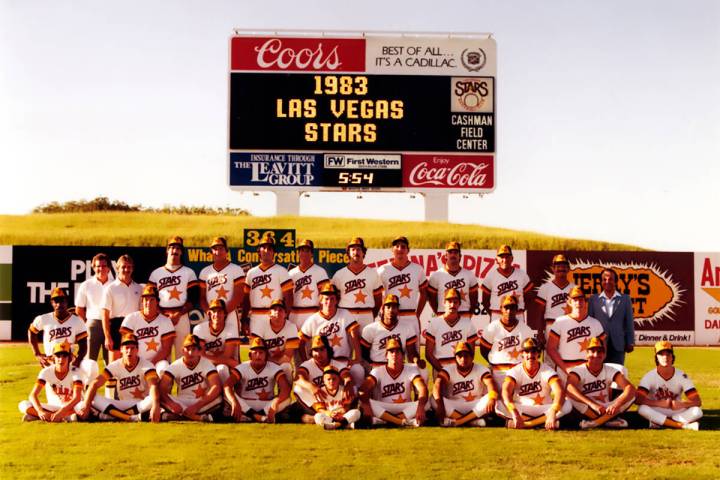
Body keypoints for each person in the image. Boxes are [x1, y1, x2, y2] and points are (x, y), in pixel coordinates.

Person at [78, 333, 161, 422]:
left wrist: (156, 406)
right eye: (126, 348)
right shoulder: (115, 365)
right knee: (92, 397)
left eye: (132, 348)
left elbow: (153, 386)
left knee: (153, 398)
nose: (129, 351)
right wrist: (86, 404)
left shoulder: (146, 365)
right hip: (120, 404)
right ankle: (133, 418)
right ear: (121, 349)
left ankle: (110, 416)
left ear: (137, 350)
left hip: (140, 404)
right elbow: (95, 383)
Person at [496, 338, 571, 430]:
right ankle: (543, 423)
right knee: (498, 404)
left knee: (568, 404)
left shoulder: (547, 370)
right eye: (527, 351)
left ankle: (525, 424)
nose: (530, 355)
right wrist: (514, 413)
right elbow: (505, 391)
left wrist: (552, 413)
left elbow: (559, 391)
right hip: (521, 409)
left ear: (538, 353)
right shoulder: (515, 371)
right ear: (522, 354)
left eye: (534, 351)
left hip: (544, 408)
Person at [298, 283, 364, 387]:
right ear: (320, 300)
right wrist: (306, 361)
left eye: (332, 299)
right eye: (326, 299)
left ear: (337, 300)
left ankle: (356, 398)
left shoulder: (344, 314)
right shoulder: (313, 319)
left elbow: (354, 334)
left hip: (342, 361)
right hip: (322, 364)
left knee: (358, 370)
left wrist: (358, 357)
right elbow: (301, 343)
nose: (329, 302)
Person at [148, 236, 200, 361]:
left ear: (181, 252)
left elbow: (193, 299)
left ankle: (183, 380)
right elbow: (150, 298)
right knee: (163, 356)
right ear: (167, 251)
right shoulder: (156, 273)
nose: (174, 250)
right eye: (171, 247)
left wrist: (178, 314)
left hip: (182, 316)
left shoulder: (189, 272)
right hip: (161, 317)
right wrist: (162, 314)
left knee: (183, 354)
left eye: (178, 248)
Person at [565, 337, 635, 429]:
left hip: (606, 408)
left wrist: (616, 404)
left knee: (632, 396)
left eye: (600, 351)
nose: (596, 354)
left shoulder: (610, 370)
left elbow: (629, 388)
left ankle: (595, 423)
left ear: (604, 354)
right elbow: (569, 388)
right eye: (592, 351)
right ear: (586, 354)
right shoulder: (579, 370)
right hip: (587, 407)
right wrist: (592, 404)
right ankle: (609, 420)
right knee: (570, 398)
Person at [358, 338, 428, 427]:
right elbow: (363, 389)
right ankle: (401, 422)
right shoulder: (378, 371)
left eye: (397, 351)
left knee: (426, 402)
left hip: (404, 407)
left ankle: (385, 421)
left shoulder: (410, 369)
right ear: (386, 355)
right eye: (391, 352)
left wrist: (421, 407)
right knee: (363, 402)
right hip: (384, 407)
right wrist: (366, 405)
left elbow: (422, 388)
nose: (394, 354)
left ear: (402, 356)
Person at [636, 341, 703, 430]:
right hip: (657, 409)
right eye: (661, 354)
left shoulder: (682, 375)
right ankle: (681, 426)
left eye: (668, 354)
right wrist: (658, 403)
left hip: (675, 411)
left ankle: (659, 422)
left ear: (672, 357)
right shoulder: (649, 376)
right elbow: (638, 399)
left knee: (697, 411)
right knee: (642, 409)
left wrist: (682, 404)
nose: (665, 357)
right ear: (656, 357)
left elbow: (697, 401)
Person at [223, 337, 291, 423]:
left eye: (261, 353)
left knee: (287, 399)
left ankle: (250, 417)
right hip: (246, 403)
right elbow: (227, 385)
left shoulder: (274, 367)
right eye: (255, 353)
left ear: (266, 355)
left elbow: (286, 389)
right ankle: (258, 417)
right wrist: (234, 401)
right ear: (250, 355)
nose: (258, 355)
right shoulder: (242, 367)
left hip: (267, 404)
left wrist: (276, 401)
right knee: (226, 394)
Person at [546, 286, 606, 381]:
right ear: (569, 302)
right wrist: (565, 368)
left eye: (581, 299)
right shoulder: (560, 322)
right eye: (575, 300)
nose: (578, 303)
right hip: (565, 370)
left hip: (589, 370)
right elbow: (550, 348)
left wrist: (594, 368)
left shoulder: (595, 323)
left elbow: (603, 350)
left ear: (586, 301)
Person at [433, 341, 498, 427]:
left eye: (466, 355)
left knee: (493, 398)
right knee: (433, 399)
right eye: (460, 356)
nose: (463, 359)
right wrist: (440, 405)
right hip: (455, 405)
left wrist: (492, 399)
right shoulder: (448, 369)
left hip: (475, 404)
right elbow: (437, 385)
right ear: (455, 358)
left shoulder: (481, 369)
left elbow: (491, 384)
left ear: (472, 357)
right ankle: (472, 422)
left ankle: (458, 422)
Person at [159, 334, 222, 421]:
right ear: (182, 350)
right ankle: (197, 417)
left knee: (219, 399)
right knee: (155, 397)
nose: (190, 353)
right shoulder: (176, 365)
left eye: (194, 349)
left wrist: (197, 405)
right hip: (181, 401)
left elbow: (216, 387)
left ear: (199, 351)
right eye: (187, 349)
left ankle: (178, 417)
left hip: (201, 401)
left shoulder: (206, 363)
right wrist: (171, 403)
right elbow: (161, 388)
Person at [478, 294, 536, 390]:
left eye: (512, 307)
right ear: (501, 308)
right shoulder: (492, 327)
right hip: (498, 373)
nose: (509, 311)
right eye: (506, 307)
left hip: (518, 373)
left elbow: (531, 354)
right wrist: (494, 362)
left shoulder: (525, 329)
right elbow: (483, 350)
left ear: (517, 309)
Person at [294, 335, 355, 421]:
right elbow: (298, 379)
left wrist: (348, 383)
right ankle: (323, 413)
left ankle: (339, 413)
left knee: (353, 388)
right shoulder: (307, 365)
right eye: (315, 350)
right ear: (311, 352)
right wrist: (312, 387)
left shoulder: (336, 363)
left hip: (335, 400)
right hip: (318, 400)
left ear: (328, 350)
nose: (318, 354)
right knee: (298, 389)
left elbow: (346, 375)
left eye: (322, 349)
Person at [18, 342, 84, 422]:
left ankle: (40, 417)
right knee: (23, 404)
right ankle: (60, 418)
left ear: (69, 357)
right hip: (53, 407)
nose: (61, 359)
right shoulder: (46, 371)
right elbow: (33, 395)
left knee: (82, 407)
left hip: (71, 407)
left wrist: (61, 412)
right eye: (58, 356)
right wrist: (40, 411)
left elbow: (77, 398)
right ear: (53, 358)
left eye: (64, 356)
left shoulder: (75, 371)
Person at [377, 236, 427, 339]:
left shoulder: (417, 269)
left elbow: (424, 293)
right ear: (392, 250)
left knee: (413, 353)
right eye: (397, 246)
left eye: (403, 246)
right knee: (391, 352)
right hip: (391, 317)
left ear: (408, 250)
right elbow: (377, 294)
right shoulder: (383, 270)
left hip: (410, 315)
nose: (400, 249)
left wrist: (417, 314)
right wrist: (382, 312)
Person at [244, 233, 293, 336]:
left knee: (275, 349)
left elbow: (288, 297)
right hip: (256, 316)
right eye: (264, 248)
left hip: (276, 315)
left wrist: (285, 316)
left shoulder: (281, 271)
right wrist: (244, 319)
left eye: (270, 248)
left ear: (273, 252)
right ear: (259, 251)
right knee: (257, 350)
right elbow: (246, 299)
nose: (267, 251)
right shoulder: (251, 273)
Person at [28, 287, 88, 370]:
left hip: (69, 360)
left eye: (62, 301)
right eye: (56, 301)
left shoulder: (77, 320)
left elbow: (83, 344)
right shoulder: (43, 319)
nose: (59, 304)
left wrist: (78, 359)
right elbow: (31, 331)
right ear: (52, 303)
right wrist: (37, 354)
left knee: (91, 367)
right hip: (50, 362)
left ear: (67, 301)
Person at [119, 284, 175, 373]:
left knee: (163, 368)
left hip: (157, 362)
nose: (148, 303)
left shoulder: (165, 321)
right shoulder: (131, 319)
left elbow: (166, 350)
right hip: (135, 362)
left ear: (157, 301)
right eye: (145, 299)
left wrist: (149, 365)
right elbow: (126, 346)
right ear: (142, 301)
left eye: (152, 299)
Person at [198, 236, 246, 339]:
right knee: (210, 348)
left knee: (232, 349)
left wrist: (223, 314)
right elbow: (202, 297)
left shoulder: (236, 269)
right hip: (211, 315)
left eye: (221, 248)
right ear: (211, 251)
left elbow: (239, 295)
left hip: (230, 313)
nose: (218, 251)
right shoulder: (205, 272)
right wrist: (210, 313)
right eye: (215, 249)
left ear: (226, 250)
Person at [332, 237, 383, 331]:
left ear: (363, 252)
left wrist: (371, 314)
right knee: (346, 345)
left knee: (366, 344)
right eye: (353, 249)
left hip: (366, 315)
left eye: (359, 249)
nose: (356, 252)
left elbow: (379, 300)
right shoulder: (339, 274)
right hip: (346, 315)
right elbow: (334, 300)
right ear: (348, 253)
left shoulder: (372, 273)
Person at [424, 288, 478, 374]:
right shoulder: (434, 323)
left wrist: (460, 372)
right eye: (449, 301)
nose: (452, 305)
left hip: (461, 372)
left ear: (459, 304)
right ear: (444, 303)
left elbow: (471, 354)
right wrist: (442, 372)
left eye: (455, 302)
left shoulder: (468, 323)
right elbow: (428, 354)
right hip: (440, 370)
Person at [100, 254, 143, 361]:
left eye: (129, 267)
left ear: (132, 269)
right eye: (123, 267)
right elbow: (104, 314)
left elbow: (142, 312)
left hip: (134, 327)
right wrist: (107, 337)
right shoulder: (110, 288)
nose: (126, 269)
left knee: (133, 362)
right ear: (117, 269)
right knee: (113, 366)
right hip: (116, 327)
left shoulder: (139, 288)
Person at [588, 268, 635, 365]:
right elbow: (590, 322)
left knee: (617, 373)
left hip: (618, 344)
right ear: (601, 282)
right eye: (604, 279)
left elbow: (629, 322)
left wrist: (630, 341)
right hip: (598, 344)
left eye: (610, 279)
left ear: (616, 282)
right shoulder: (593, 299)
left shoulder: (625, 299)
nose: (607, 282)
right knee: (599, 375)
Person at [361, 293, 421, 369]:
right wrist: (371, 366)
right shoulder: (370, 329)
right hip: (378, 367)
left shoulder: (407, 327)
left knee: (423, 371)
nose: (391, 310)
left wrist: (417, 361)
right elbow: (364, 354)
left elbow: (412, 353)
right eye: (388, 307)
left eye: (394, 307)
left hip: (398, 367)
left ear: (398, 310)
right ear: (382, 309)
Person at [427, 241, 479, 323]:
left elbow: (474, 298)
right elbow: (431, 299)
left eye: (456, 252)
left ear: (460, 256)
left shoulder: (469, 274)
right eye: (450, 252)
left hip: (464, 316)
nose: (453, 255)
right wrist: (438, 313)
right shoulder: (436, 275)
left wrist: (470, 314)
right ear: (445, 256)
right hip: (443, 316)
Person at [75, 252, 113, 363]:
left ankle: (112, 381)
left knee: (111, 361)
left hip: (111, 324)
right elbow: (79, 309)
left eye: (104, 266)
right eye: (98, 266)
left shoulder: (115, 284)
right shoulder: (86, 285)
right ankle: (88, 381)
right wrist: (84, 327)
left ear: (109, 268)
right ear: (93, 268)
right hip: (93, 325)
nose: (101, 268)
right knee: (89, 361)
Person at [481, 244, 533, 323]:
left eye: (507, 257)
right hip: (497, 315)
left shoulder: (522, 274)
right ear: (496, 260)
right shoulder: (490, 276)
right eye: (501, 257)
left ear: (512, 258)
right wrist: (494, 314)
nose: (504, 260)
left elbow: (529, 298)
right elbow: (485, 301)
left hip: (517, 315)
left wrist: (519, 310)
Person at [193, 298, 241, 383]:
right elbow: (200, 356)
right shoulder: (199, 329)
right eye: (213, 311)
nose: (216, 314)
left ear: (225, 314)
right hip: (204, 365)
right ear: (209, 313)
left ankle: (225, 395)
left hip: (221, 363)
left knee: (222, 368)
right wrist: (230, 362)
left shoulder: (231, 328)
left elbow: (228, 355)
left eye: (220, 311)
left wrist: (225, 360)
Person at [250, 298, 299, 380]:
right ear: (269, 313)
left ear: (285, 314)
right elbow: (255, 352)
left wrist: (272, 364)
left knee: (287, 367)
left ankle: (285, 392)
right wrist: (268, 363)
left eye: (280, 310)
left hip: (281, 361)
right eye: (274, 309)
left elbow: (288, 356)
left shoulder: (292, 327)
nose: (277, 312)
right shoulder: (259, 325)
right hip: (263, 362)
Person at [533, 254, 575, 348]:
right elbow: (540, 313)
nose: (561, 269)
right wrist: (540, 333)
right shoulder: (545, 288)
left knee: (568, 357)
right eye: (558, 266)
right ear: (553, 268)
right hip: (551, 326)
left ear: (568, 269)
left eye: (564, 266)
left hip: (569, 327)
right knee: (550, 360)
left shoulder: (574, 288)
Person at [288, 239, 330, 331]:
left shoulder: (320, 271)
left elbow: (325, 296)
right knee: (295, 344)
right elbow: (287, 297)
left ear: (312, 253)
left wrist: (324, 315)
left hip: (313, 314)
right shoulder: (291, 273)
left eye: (307, 251)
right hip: (295, 315)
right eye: (302, 250)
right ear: (298, 253)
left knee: (315, 344)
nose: (304, 253)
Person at [311, 365, 362, 430]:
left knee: (356, 412)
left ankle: (336, 425)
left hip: (343, 416)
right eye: (328, 379)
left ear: (339, 380)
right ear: (324, 381)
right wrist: (329, 413)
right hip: (329, 417)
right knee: (317, 416)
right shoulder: (320, 391)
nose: (331, 381)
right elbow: (320, 409)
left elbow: (347, 406)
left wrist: (343, 411)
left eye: (334, 379)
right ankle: (344, 425)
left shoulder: (344, 390)